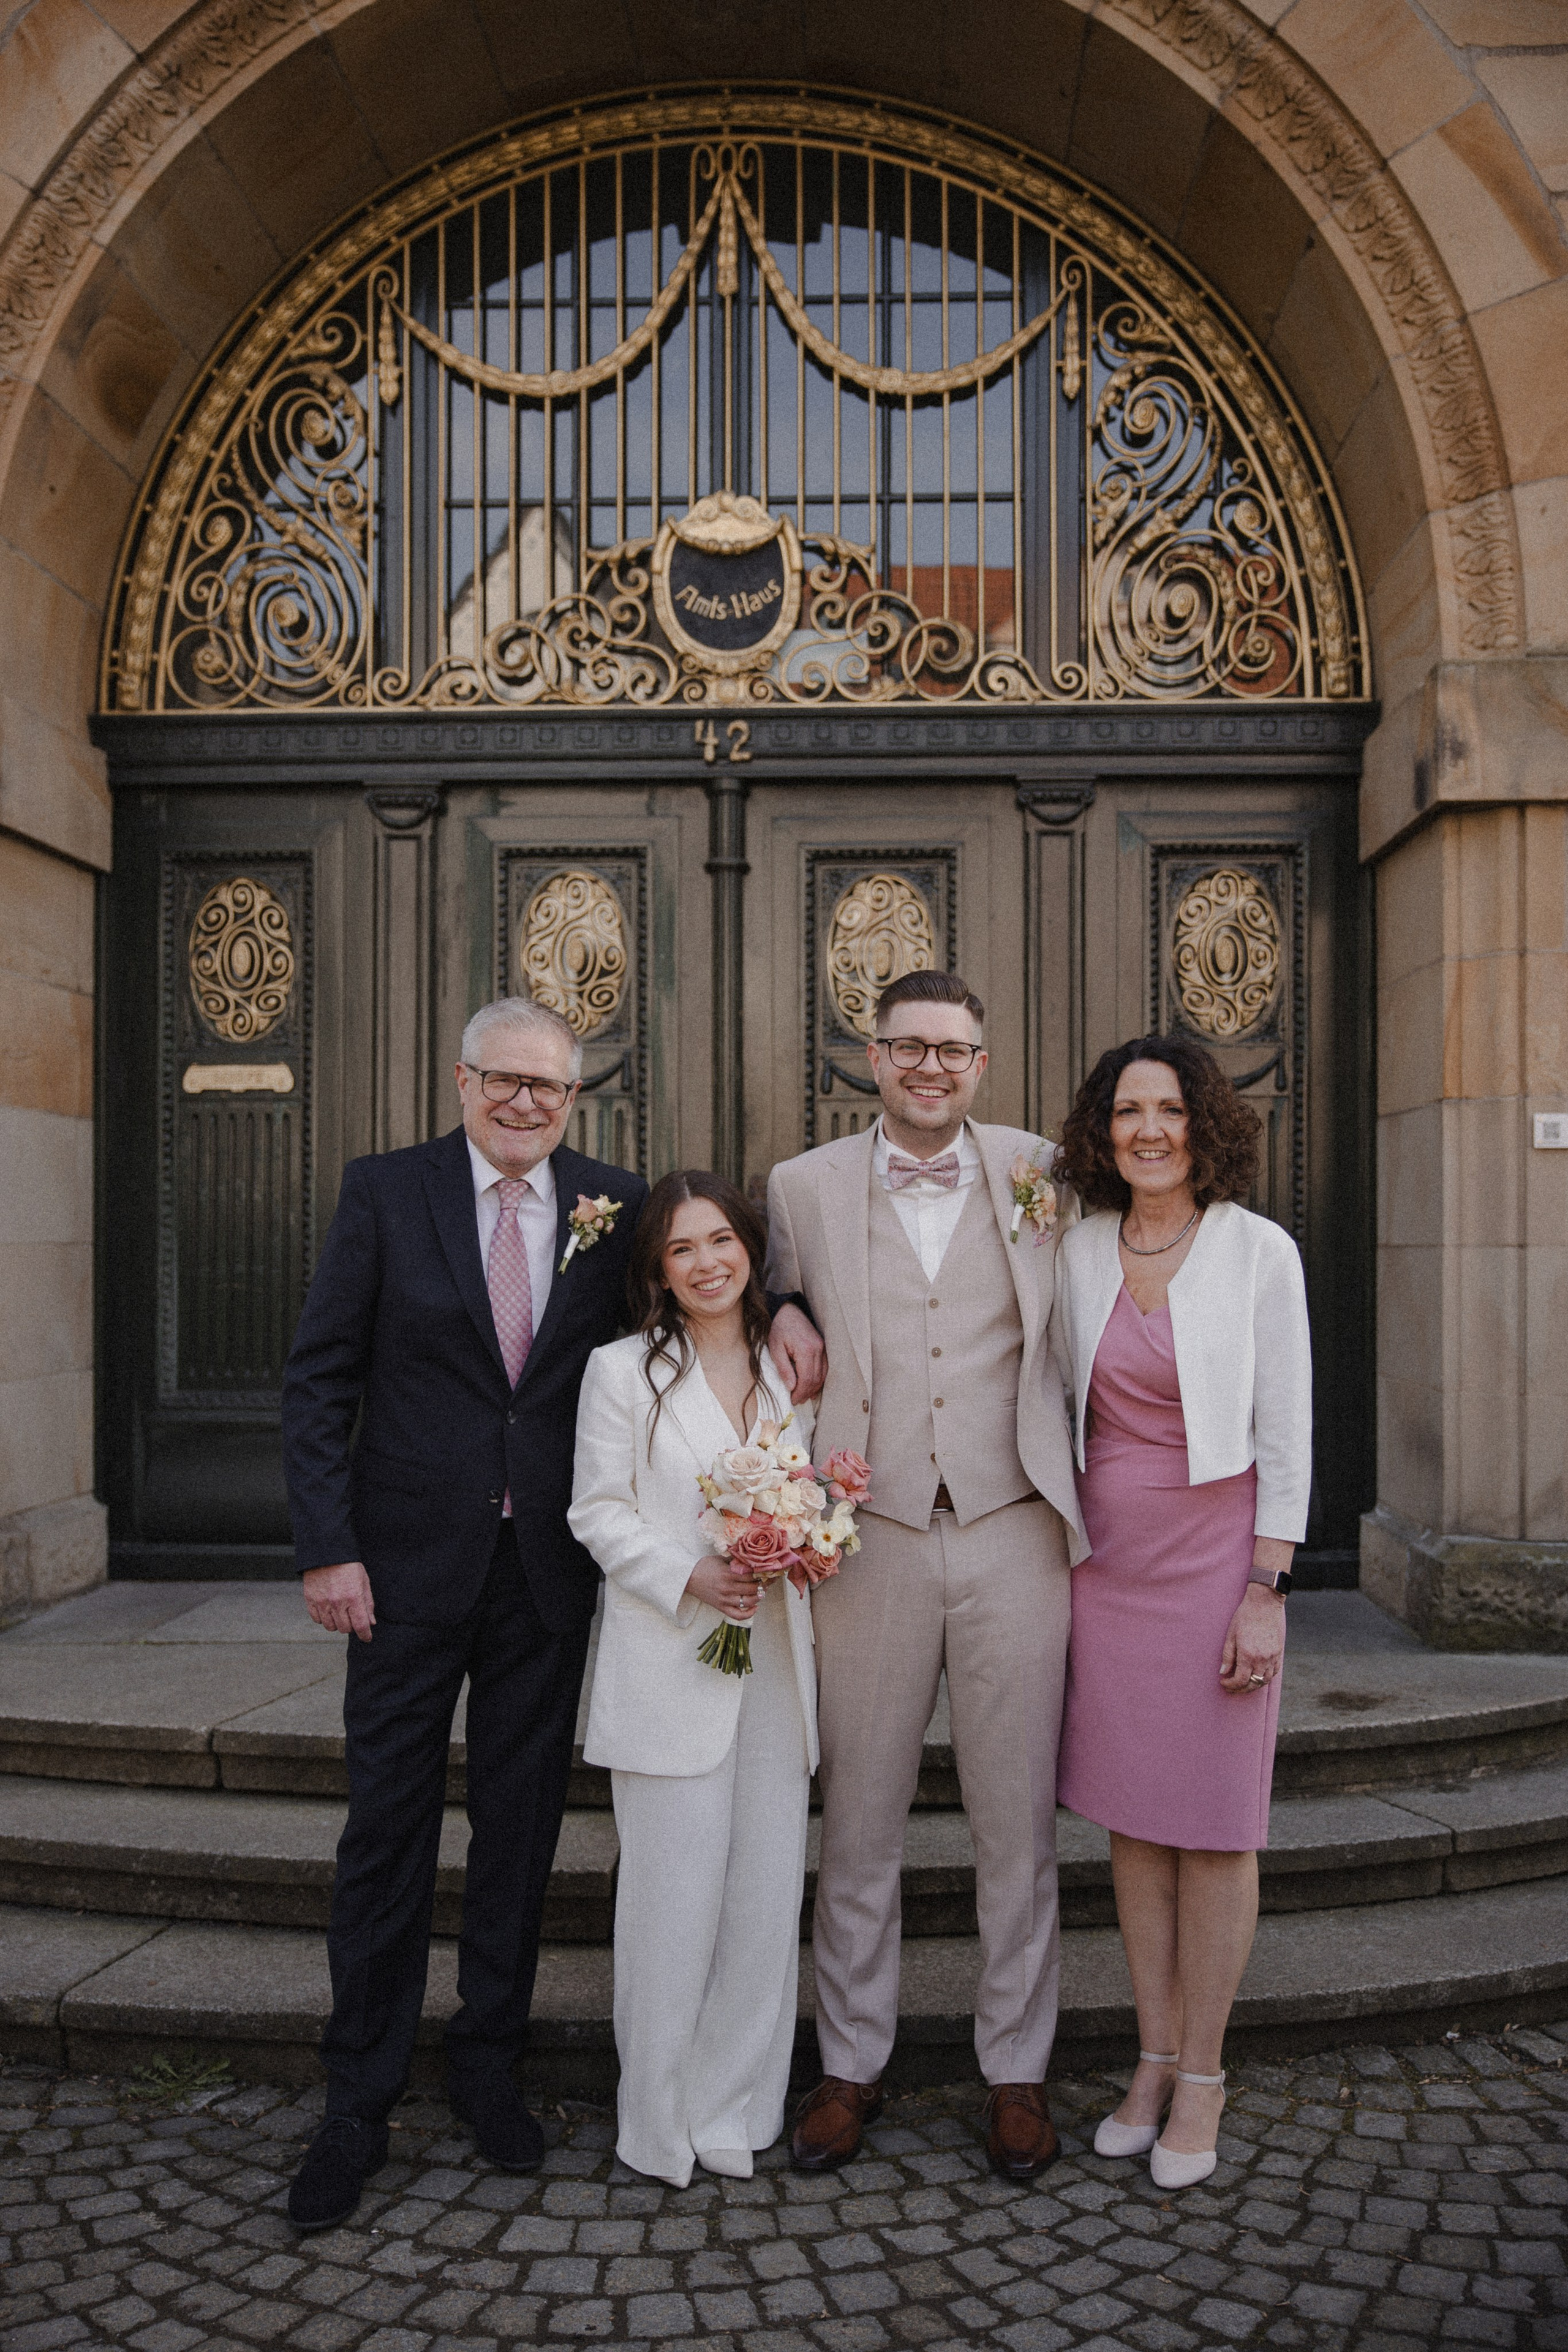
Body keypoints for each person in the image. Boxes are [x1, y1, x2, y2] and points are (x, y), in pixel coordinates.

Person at [279, 997, 823, 2231]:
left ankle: (487, 2067)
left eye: (551, 1088)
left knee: (518, 1837)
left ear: (574, 1099)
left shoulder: (612, 1199)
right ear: (462, 1078)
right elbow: (319, 1381)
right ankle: (355, 2103)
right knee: (387, 1836)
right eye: (504, 1081)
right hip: (404, 1576)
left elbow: (713, 1267)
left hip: (544, 1588)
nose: (526, 1104)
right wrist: (328, 1551)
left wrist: (794, 1307)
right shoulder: (385, 1192)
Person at [765, 969, 1087, 2180]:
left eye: (952, 1049)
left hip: (1013, 1522)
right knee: (857, 1821)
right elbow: (756, 1299)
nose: (930, 1068)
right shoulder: (799, 1186)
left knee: (1015, 1825)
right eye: (908, 1047)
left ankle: (1015, 2072)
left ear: (980, 1062)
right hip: (870, 1531)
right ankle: (849, 2064)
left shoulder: (1046, 1171)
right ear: (871, 1053)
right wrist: (781, 1305)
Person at [1051, 1035, 1311, 2189]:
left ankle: (1204, 2072)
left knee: (1214, 1825)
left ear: (1205, 1124)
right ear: (1101, 1133)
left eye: (1167, 1109)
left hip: (1217, 1560)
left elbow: (1288, 1426)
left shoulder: (1259, 1251)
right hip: (1105, 1566)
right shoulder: (1074, 1247)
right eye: (1125, 1112)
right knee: (1132, 1821)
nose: (1146, 1130)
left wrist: (1267, 1586)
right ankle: (1151, 2058)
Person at [568, 1172, 820, 2187]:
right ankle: (657, 2119)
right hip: (671, 1659)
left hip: (775, 1667)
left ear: (750, 1248)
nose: (709, 1262)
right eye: (683, 1250)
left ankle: (737, 2106)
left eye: (722, 1240)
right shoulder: (622, 1371)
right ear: (658, 1272)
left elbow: (811, 1488)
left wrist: (807, 1541)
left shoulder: (790, 1367)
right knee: (670, 1909)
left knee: (763, 1904)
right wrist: (692, 1575)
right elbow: (597, 1510)